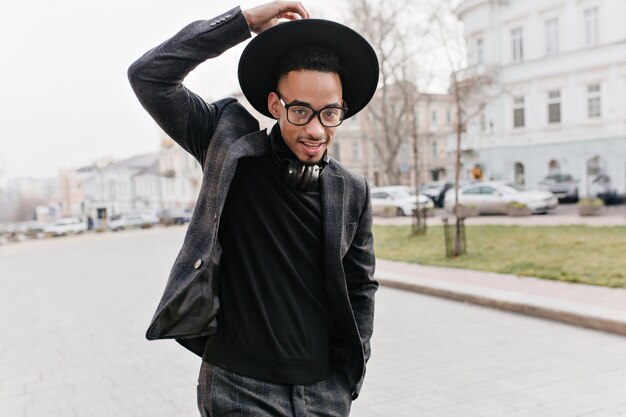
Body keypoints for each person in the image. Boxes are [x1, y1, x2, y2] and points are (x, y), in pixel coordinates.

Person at [128, 2, 379, 416]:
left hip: (323, 395)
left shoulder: (352, 190)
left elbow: (361, 289)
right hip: (239, 389)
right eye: (300, 111)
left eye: (330, 113)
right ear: (275, 104)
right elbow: (149, 76)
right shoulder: (227, 146)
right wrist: (241, 23)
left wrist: (348, 379)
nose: (316, 129)